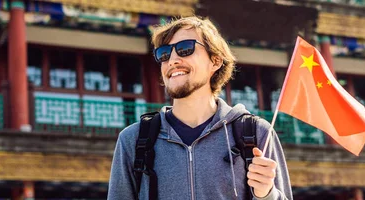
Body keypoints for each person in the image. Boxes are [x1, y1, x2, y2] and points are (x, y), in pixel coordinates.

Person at [108, 16, 292, 200]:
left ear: (215, 61)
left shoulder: (257, 135)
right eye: (164, 54)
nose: (172, 60)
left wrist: (267, 195)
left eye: (185, 49)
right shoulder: (133, 140)